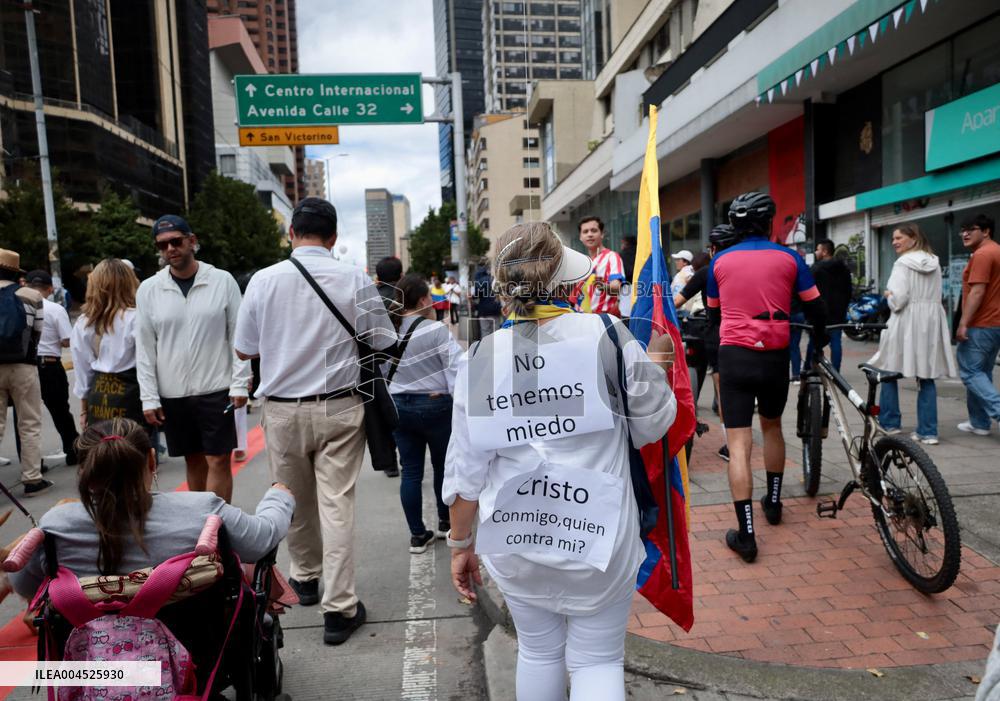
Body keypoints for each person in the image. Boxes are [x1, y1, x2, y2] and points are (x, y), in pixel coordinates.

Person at [445, 222, 676, 701]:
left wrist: (460, 544)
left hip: (516, 540)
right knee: (597, 660)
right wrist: (657, 367)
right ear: (559, 276)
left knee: (538, 651)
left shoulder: (480, 356)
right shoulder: (607, 334)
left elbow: (466, 473)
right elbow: (653, 426)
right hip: (600, 537)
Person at [234, 197, 396, 646]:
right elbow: (383, 339)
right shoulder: (354, 279)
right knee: (336, 504)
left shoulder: (264, 281)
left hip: (282, 408)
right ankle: (340, 609)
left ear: (291, 234)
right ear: (334, 237)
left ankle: (305, 579)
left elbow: (244, 349)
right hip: (341, 405)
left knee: (291, 498)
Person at [9, 416, 293, 612]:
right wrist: (278, 496)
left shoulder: (56, 526)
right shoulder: (201, 511)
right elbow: (260, 540)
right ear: (152, 461)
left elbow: (24, 585)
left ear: (84, 471)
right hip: (195, 653)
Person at [707, 192, 827, 563]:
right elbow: (816, 307)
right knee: (772, 427)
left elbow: (713, 315)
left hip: (735, 357)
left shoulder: (720, 261)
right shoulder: (790, 257)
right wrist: (818, 344)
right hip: (775, 356)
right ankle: (773, 504)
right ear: (770, 222)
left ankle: (746, 534)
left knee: (740, 444)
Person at [135, 215, 250, 503]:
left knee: (219, 460)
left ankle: (218, 525)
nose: (170, 249)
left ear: (192, 241)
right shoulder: (149, 289)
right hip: (174, 391)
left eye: (176, 241)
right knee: (194, 460)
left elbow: (239, 337)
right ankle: (197, 525)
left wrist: (239, 383)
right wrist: (149, 397)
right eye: (163, 245)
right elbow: (145, 348)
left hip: (217, 387)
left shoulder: (222, 281)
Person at [387, 274, 463, 554]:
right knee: (443, 466)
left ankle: (417, 535)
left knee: (411, 472)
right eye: (430, 297)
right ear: (422, 300)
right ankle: (446, 523)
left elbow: (380, 372)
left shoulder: (387, 331)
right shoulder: (436, 330)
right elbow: (456, 369)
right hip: (435, 405)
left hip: (399, 408)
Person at [867, 224, 956, 444]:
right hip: (930, 322)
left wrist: (888, 294)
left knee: (890, 371)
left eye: (898, 238)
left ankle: (890, 423)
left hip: (905, 321)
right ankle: (928, 431)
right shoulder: (934, 262)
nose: (894, 242)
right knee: (926, 376)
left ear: (913, 239)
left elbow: (898, 301)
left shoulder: (902, 263)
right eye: (893, 239)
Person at [675, 226, 739, 463]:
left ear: (713, 250)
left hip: (715, 335)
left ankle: (731, 446)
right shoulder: (745, 270)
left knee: (722, 392)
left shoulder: (707, 272)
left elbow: (678, 302)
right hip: (747, 336)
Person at [70, 259, 144, 432]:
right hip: (133, 394)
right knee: (136, 449)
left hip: (99, 398)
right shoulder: (137, 318)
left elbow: (83, 371)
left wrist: (83, 410)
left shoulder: (84, 322)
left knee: (105, 451)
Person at [0, 249, 50, 496]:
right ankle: (32, 479)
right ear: (15, 272)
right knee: (29, 422)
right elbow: (37, 332)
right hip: (24, 365)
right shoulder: (31, 295)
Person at [25, 270, 78, 466]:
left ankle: (31, 462)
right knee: (60, 411)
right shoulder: (55, 309)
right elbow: (66, 340)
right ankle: (73, 451)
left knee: (26, 417)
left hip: (25, 365)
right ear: (49, 288)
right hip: (49, 365)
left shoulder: (18, 305)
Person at [954, 214, 1000, 436]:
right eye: (963, 230)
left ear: (986, 231)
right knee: (982, 372)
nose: (965, 233)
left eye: (970, 229)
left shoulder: (982, 254)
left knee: (971, 373)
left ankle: (998, 412)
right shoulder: (997, 251)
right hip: (995, 324)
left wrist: (963, 323)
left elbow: (978, 291)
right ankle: (979, 423)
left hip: (981, 323)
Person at [374, 256, 404, 478]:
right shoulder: (405, 295)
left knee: (384, 408)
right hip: (404, 357)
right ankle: (407, 453)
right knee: (403, 404)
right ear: (400, 275)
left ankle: (390, 462)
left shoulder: (370, 298)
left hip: (378, 359)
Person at [807, 239, 853, 372]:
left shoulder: (815, 269)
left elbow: (808, 291)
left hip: (819, 313)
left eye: (818, 249)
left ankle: (813, 369)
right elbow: (849, 290)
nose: (816, 252)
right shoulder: (844, 268)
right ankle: (835, 372)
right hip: (838, 313)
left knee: (815, 342)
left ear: (825, 251)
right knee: (836, 342)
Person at [573, 216, 626, 316]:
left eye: (593, 230)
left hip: (603, 319)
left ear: (602, 234)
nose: (589, 234)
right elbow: (574, 297)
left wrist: (601, 286)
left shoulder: (612, 257)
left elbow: (616, 287)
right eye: (585, 231)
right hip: (581, 319)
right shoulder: (581, 262)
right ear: (580, 237)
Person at [473, 259, 503, 337]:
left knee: (485, 332)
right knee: (496, 333)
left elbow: (476, 295)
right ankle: (497, 348)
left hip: (483, 310)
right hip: (495, 309)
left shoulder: (479, 281)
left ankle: (487, 348)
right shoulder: (495, 279)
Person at [618, 236, 637, 319]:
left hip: (626, 289)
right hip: (643, 289)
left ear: (625, 243)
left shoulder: (621, 256)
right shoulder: (641, 253)